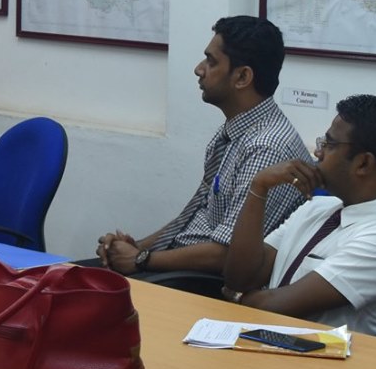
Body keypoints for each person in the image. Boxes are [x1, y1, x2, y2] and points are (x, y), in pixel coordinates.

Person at [97, 15, 312, 278]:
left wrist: (142, 259)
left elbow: (226, 252)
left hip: (201, 282)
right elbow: (193, 217)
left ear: (242, 77)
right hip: (175, 265)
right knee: (63, 277)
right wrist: (137, 247)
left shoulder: (266, 148)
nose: (199, 69)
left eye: (211, 61)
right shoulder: (235, 132)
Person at [222, 96, 376, 336]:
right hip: (266, 346)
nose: (317, 152)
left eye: (329, 144)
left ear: (363, 163)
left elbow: (273, 308)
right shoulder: (319, 207)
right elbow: (240, 277)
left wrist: (236, 297)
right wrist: (259, 187)